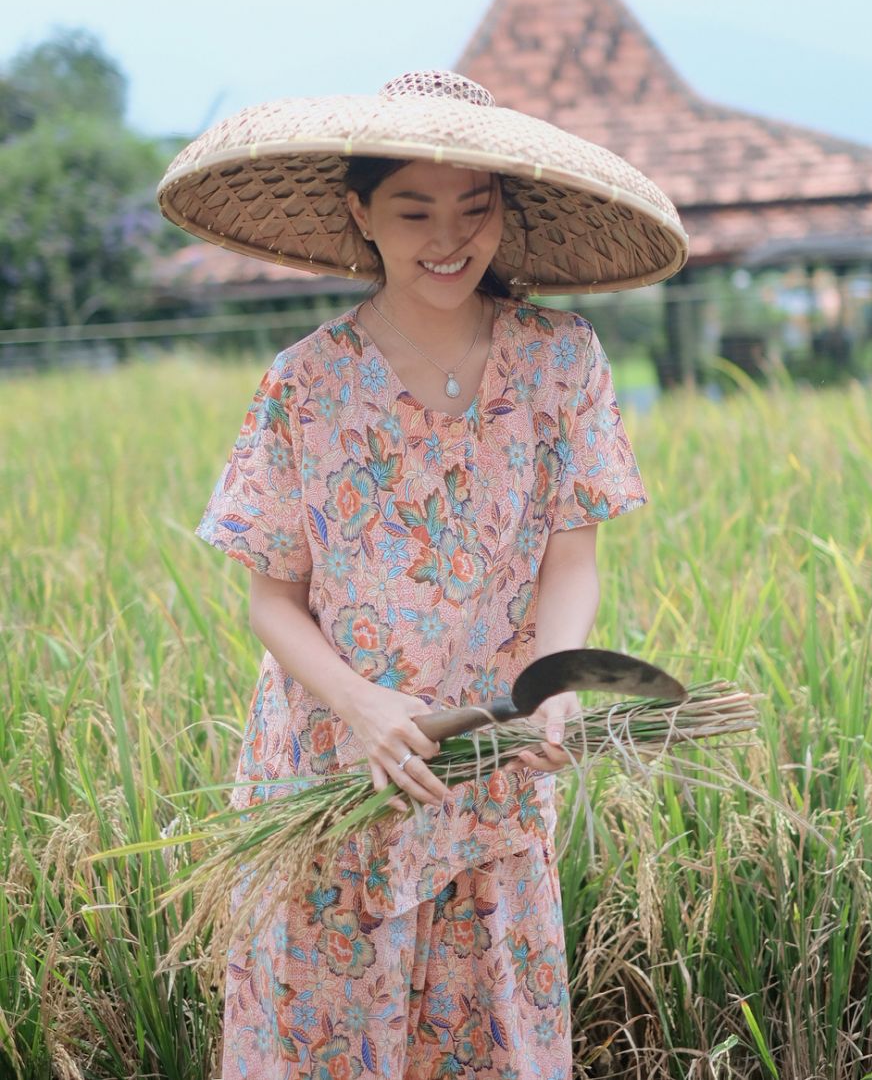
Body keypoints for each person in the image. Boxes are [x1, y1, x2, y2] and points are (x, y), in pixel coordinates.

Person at [158, 69, 687, 1080]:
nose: (448, 236)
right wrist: (362, 708)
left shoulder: (560, 358)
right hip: (337, 767)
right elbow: (270, 596)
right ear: (361, 213)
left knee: (486, 1040)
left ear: (503, 210)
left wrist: (553, 690)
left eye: (474, 206)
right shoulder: (304, 381)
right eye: (412, 208)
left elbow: (572, 556)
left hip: (492, 763)